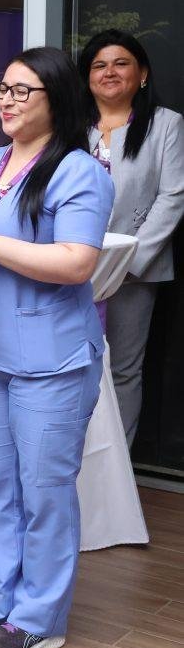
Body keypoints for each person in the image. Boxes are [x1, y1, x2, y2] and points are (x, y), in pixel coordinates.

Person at [0, 47, 114, 648]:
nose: (6, 102)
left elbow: (76, 261)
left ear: (55, 100)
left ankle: (40, 617)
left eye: (21, 91)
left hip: (52, 359)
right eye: (1, 90)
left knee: (44, 493)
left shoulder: (79, 172)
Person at [76, 30, 184, 447]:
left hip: (134, 272)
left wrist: (129, 260)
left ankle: (116, 471)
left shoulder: (166, 124)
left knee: (123, 368)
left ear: (141, 74)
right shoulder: (71, 126)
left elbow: (173, 195)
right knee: (73, 364)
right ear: (87, 77)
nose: (109, 72)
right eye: (99, 65)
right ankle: (78, 464)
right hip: (71, 266)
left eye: (121, 63)